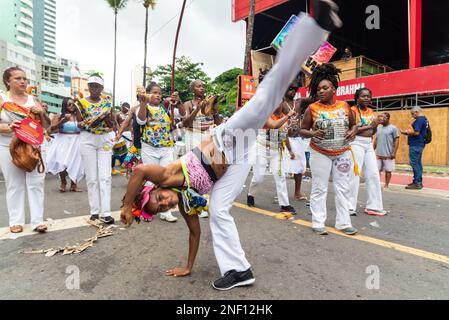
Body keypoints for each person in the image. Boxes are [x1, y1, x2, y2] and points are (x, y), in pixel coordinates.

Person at [120, 0, 341, 290]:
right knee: (219, 211)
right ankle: (239, 270)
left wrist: (126, 206)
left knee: (266, 96)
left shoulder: (167, 176)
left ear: (156, 189)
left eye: (158, 199)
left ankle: (315, 27)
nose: (165, 203)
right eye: (161, 209)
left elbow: (139, 172)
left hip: (229, 138)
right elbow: (195, 235)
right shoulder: (185, 203)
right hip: (237, 161)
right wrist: (187, 266)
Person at [299, 63, 358, 236]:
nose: (321, 91)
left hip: (343, 153)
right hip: (320, 153)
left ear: (334, 89)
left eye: (325, 88)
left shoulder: (345, 106)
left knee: (343, 188)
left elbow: (354, 125)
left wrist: (352, 132)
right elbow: (302, 131)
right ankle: (318, 222)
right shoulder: (312, 108)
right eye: (318, 89)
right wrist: (313, 133)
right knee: (319, 187)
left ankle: (344, 223)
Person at [0, 67, 51, 233]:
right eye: (17, 78)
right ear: (8, 81)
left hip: (33, 146)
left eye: (24, 78)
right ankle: (16, 221)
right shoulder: (2, 99)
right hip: (9, 146)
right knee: (14, 184)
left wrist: (42, 113)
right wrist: (8, 127)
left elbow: (46, 126)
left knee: (36, 183)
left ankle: (37, 221)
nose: (23, 81)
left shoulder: (33, 100)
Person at [135, 82, 178, 223]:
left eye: (159, 93)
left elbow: (181, 116)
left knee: (166, 179)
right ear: (147, 93)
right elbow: (141, 121)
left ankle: (165, 212)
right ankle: (146, 208)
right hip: (149, 148)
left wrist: (177, 102)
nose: (158, 95)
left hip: (166, 148)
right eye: (154, 92)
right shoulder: (144, 107)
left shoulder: (166, 108)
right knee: (150, 180)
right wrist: (142, 102)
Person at [76, 74, 116, 224]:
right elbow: (79, 123)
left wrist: (106, 118)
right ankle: (94, 211)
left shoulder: (107, 102)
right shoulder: (80, 103)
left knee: (105, 176)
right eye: (91, 85)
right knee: (92, 177)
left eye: (97, 86)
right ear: (88, 87)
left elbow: (111, 123)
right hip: (88, 138)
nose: (94, 88)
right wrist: (92, 121)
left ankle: (106, 212)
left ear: (101, 88)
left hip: (104, 138)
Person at [180, 80, 221, 218]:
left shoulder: (210, 102)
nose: (202, 88)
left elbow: (218, 123)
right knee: (195, 171)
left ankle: (206, 202)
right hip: (193, 136)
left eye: (203, 86)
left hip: (208, 136)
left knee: (210, 170)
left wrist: (215, 110)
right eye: (198, 86)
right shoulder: (188, 104)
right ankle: (195, 202)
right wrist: (197, 109)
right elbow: (185, 123)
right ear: (193, 89)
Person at [246, 105, 297, 216]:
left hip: (276, 151)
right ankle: (251, 194)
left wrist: (290, 150)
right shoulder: (266, 115)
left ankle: (284, 205)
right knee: (258, 178)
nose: (277, 104)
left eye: (280, 101)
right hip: (262, 148)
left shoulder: (284, 118)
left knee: (280, 176)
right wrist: (288, 116)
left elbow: (284, 135)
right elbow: (274, 126)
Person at [348, 88, 387, 216]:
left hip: (368, 143)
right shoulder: (352, 111)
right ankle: (349, 206)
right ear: (357, 98)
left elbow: (372, 131)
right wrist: (371, 125)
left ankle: (373, 206)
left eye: (369, 96)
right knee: (354, 174)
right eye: (363, 96)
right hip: (356, 143)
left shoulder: (370, 111)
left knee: (373, 174)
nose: (367, 98)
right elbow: (352, 130)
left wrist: (375, 125)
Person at [46, 97, 84, 192]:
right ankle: (63, 182)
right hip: (62, 140)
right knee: (61, 162)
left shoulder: (78, 116)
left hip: (76, 141)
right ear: (65, 105)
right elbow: (50, 130)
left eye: (73, 104)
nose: (72, 106)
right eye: (69, 104)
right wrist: (62, 121)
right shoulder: (59, 115)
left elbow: (84, 127)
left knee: (75, 163)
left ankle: (74, 185)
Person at [282, 84, 309, 201]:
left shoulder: (299, 102)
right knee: (281, 167)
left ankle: (297, 192)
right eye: (290, 89)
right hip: (284, 138)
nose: (293, 92)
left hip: (297, 139)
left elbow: (313, 98)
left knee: (299, 167)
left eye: (294, 90)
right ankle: (281, 192)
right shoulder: (280, 104)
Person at [401, 106, 428, 190]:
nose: (412, 116)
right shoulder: (425, 119)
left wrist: (406, 132)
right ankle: (417, 181)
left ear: (416, 112)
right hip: (420, 144)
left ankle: (417, 183)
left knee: (414, 163)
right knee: (418, 163)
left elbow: (416, 133)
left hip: (416, 144)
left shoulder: (419, 120)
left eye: (412, 114)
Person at [374, 112, 399, 189]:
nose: (381, 119)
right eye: (380, 117)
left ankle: (386, 185)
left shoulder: (393, 128)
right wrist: (372, 150)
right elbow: (376, 139)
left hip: (388, 154)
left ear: (387, 118)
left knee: (388, 171)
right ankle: (377, 185)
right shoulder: (378, 127)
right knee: (376, 171)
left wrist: (394, 152)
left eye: (383, 117)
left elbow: (397, 140)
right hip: (378, 153)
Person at [112, 102, 131, 175]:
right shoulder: (118, 114)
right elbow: (115, 122)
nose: (126, 109)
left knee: (128, 151)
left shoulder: (129, 114)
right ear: (122, 107)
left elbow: (130, 124)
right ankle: (117, 164)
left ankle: (124, 166)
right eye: (125, 108)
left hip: (128, 133)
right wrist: (118, 131)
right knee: (119, 150)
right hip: (120, 133)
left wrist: (131, 133)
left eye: (127, 108)